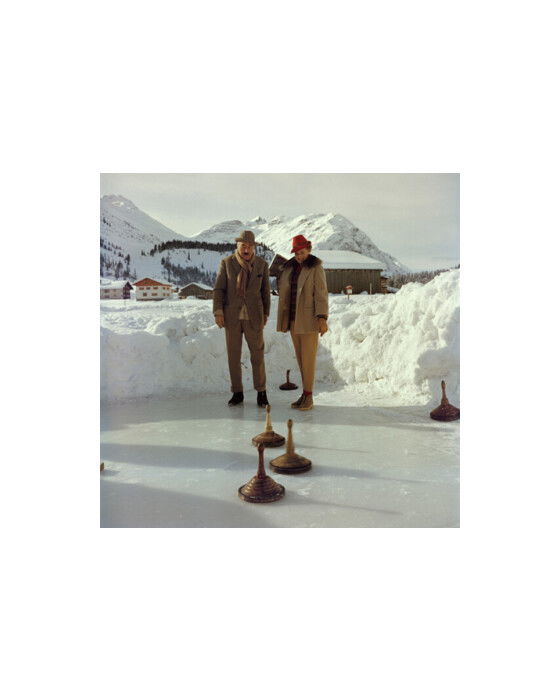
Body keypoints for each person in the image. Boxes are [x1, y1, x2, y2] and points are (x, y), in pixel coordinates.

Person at [213, 230, 271, 407]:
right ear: (237, 246)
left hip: (254, 316)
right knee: (233, 355)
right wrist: (218, 311)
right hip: (232, 316)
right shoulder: (227, 263)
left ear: (254, 248)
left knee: (257, 355)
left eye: (250, 246)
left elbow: (265, 292)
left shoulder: (261, 265)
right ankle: (237, 392)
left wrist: (266, 313)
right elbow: (219, 289)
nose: (246, 249)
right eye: (243, 246)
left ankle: (261, 392)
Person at [276, 234, 328, 411]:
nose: (300, 256)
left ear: (309, 250)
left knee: (308, 360)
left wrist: (322, 318)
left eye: (303, 253)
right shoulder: (289, 268)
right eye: (297, 253)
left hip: (309, 320)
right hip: (293, 320)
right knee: (300, 359)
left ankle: (309, 396)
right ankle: (305, 394)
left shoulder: (316, 267)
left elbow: (321, 294)